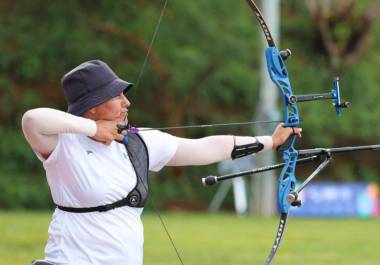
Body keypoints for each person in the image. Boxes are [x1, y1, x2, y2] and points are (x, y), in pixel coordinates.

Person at [22, 60, 302, 265]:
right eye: (115, 96)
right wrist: (95, 131)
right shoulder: (63, 145)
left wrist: (270, 141)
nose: (126, 103)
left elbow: (206, 148)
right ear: (92, 105)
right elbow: (32, 120)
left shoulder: (138, 142)